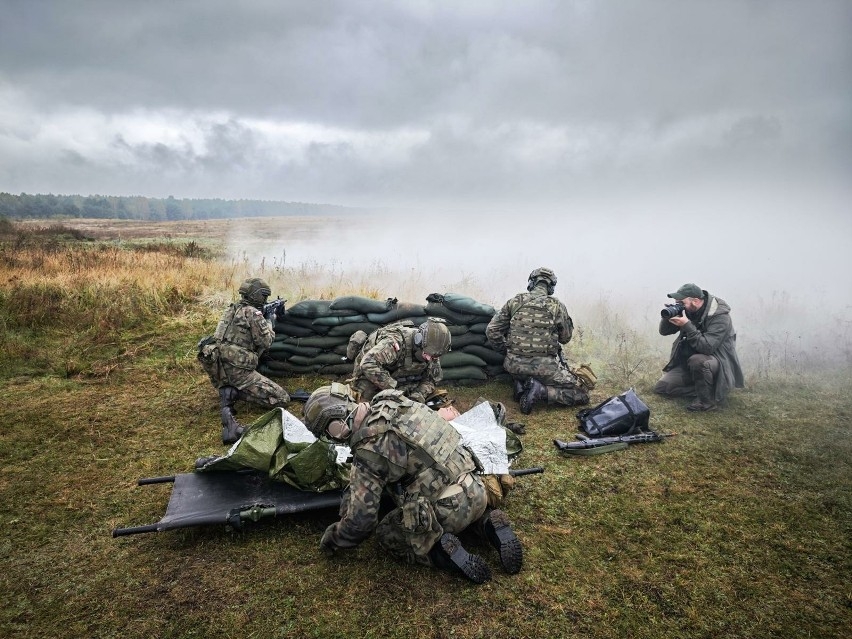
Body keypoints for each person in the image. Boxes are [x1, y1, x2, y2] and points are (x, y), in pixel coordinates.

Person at [302, 382, 524, 584]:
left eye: (328, 434)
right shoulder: (392, 400)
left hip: (448, 511)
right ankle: (488, 523)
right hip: (477, 487)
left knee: (387, 534)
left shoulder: (369, 451)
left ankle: (440, 551)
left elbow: (361, 523)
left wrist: (332, 539)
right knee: (459, 500)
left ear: (337, 426)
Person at [197, 277, 290, 444]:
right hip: (238, 370)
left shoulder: (231, 309)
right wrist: (269, 321)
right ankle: (234, 392)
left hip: (219, 368)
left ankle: (228, 389)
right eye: (263, 296)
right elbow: (266, 342)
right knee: (282, 399)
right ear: (255, 295)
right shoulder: (254, 314)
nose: (265, 299)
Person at [486, 267, 590, 415]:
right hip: (545, 370)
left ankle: (522, 384)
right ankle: (540, 391)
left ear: (531, 283)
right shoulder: (557, 306)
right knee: (583, 392)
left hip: (514, 367)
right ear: (551, 287)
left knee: (524, 372)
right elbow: (565, 338)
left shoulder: (515, 301)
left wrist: (507, 351)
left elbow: (492, 331)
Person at [655, 283, 745, 412]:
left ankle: (707, 401)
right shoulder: (688, 310)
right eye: (676, 302)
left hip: (716, 362)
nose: (678, 305)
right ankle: (704, 388)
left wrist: (687, 325)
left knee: (698, 361)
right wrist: (668, 316)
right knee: (663, 388)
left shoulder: (720, 316)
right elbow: (664, 331)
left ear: (695, 301)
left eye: (681, 302)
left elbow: (707, 347)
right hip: (690, 363)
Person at [347, 318, 452, 404]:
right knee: (367, 406)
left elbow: (432, 379)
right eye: (427, 355)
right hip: (371, 375)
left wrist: (417, 396)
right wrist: (394, 389)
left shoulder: (432, 350)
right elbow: (368, 363)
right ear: (418, 341)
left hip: (396, 377)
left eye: (433, 357)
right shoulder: (394, 342)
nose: (430, 359)